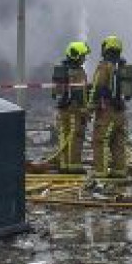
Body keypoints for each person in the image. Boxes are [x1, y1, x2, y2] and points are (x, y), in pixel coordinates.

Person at [88, 35, 132, 185]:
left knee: (100, 141)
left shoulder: (104, 66)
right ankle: (119, 171)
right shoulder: (123, 67)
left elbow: (97, 87)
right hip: (121, 111)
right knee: (118, 141)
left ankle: (100, 173)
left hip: (107, 111)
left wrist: (89, 107)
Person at [50, 40, 90, 173]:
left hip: (63, 110)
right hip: (75, 110)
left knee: (64, 136)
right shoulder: (77, 72)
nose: (84, 59)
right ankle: (74, 166)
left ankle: (64, 165)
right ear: (76, 55)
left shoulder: (62, 69)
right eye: (83, 56)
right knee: (75, 137)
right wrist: (86, 110)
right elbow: (80, 95)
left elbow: (55, 93)